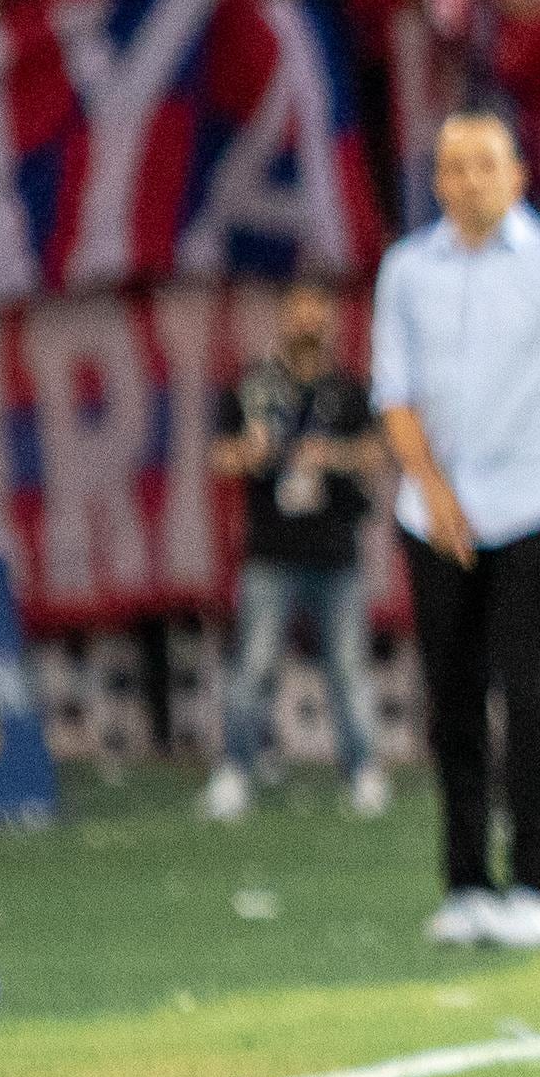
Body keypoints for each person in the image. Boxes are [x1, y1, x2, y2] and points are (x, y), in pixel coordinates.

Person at [371, 110, 540, 948]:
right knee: (451, 705)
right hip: (436, 517)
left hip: (532, 506)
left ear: (518, 175)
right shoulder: (407, 271)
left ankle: (535, 881)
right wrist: (431, 487)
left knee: (527, 696)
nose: (469, 181)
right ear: (436, 180)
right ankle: (464, 884)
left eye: (485, 164)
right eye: (453, 166)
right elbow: (394, 394)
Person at [202, 286, 390, 821]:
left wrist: (330, 454)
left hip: (335, 549)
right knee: (256, 664)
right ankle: (236, 768)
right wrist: (252, 452)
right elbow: (220, 456)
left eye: (315, 316)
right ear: (283, 320)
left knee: (348, 668)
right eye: (298, 315)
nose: (307, 326)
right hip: (272, 548)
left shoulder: (348, 391)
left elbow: (378, 452)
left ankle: (363, 769)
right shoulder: (255, 386)